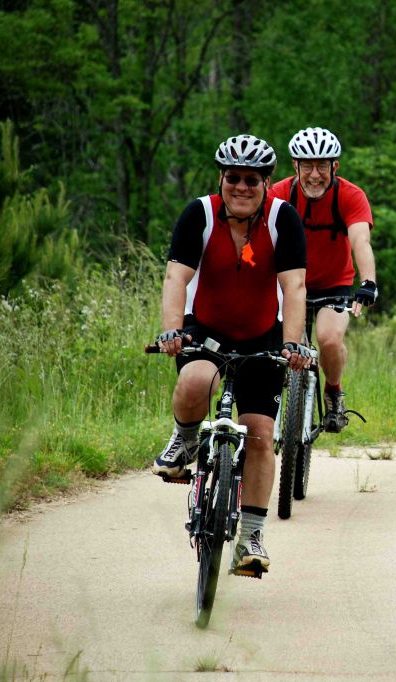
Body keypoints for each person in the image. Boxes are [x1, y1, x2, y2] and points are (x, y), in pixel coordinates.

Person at [152, 134, 313, 573]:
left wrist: (293, 343)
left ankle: (251, 539)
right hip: (206, 330)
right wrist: (171, 331)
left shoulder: (284, 220)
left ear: (266, 183)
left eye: (252, 180)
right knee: (195, 381)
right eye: (233, 178)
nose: (241, 188)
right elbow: (176, 279)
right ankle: (184, 440)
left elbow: (294, 287)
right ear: (221, 179)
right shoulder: (198, 214)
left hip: (264, 337)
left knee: (260, 432)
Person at [269, 127, 377, 433]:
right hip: (289, 286)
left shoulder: (350, 195)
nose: (314, 174)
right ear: (295, 167)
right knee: (274, 347)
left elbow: (361, 242)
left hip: (335, 285)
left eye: (322, 166)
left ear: (335, 167)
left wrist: (368, 281)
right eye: (307, 166)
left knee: (329, 339)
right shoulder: (278, 194)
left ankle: (333, 393)